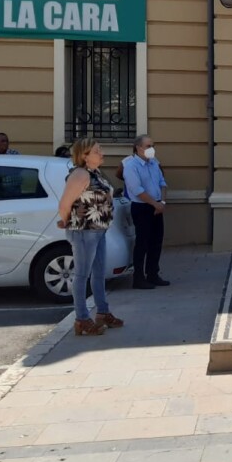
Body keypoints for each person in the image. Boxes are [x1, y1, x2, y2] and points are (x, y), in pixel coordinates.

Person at [56, 139, 123, 335]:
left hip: (99, 230)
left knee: (99, 273)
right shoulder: (80, 174)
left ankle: (102, 312)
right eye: (97, 151)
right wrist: (66, 221)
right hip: (84, 231)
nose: (102, 153)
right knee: (82, 274)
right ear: (85, 155)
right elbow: (64, 204)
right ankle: (82, 319)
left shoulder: (95, 173)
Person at [122, 134, 170, 289]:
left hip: (157, 207)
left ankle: (153, 274)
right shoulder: (131, 165)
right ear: (138, 148)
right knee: (142, 242)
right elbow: (136, 190)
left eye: (153, 146)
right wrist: (154, 204)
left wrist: (161, 203)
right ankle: (138, 277)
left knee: (156, 242)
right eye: (148, 146)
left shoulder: (154, 163)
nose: (152, 149)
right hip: (142, 207)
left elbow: (162, 183)